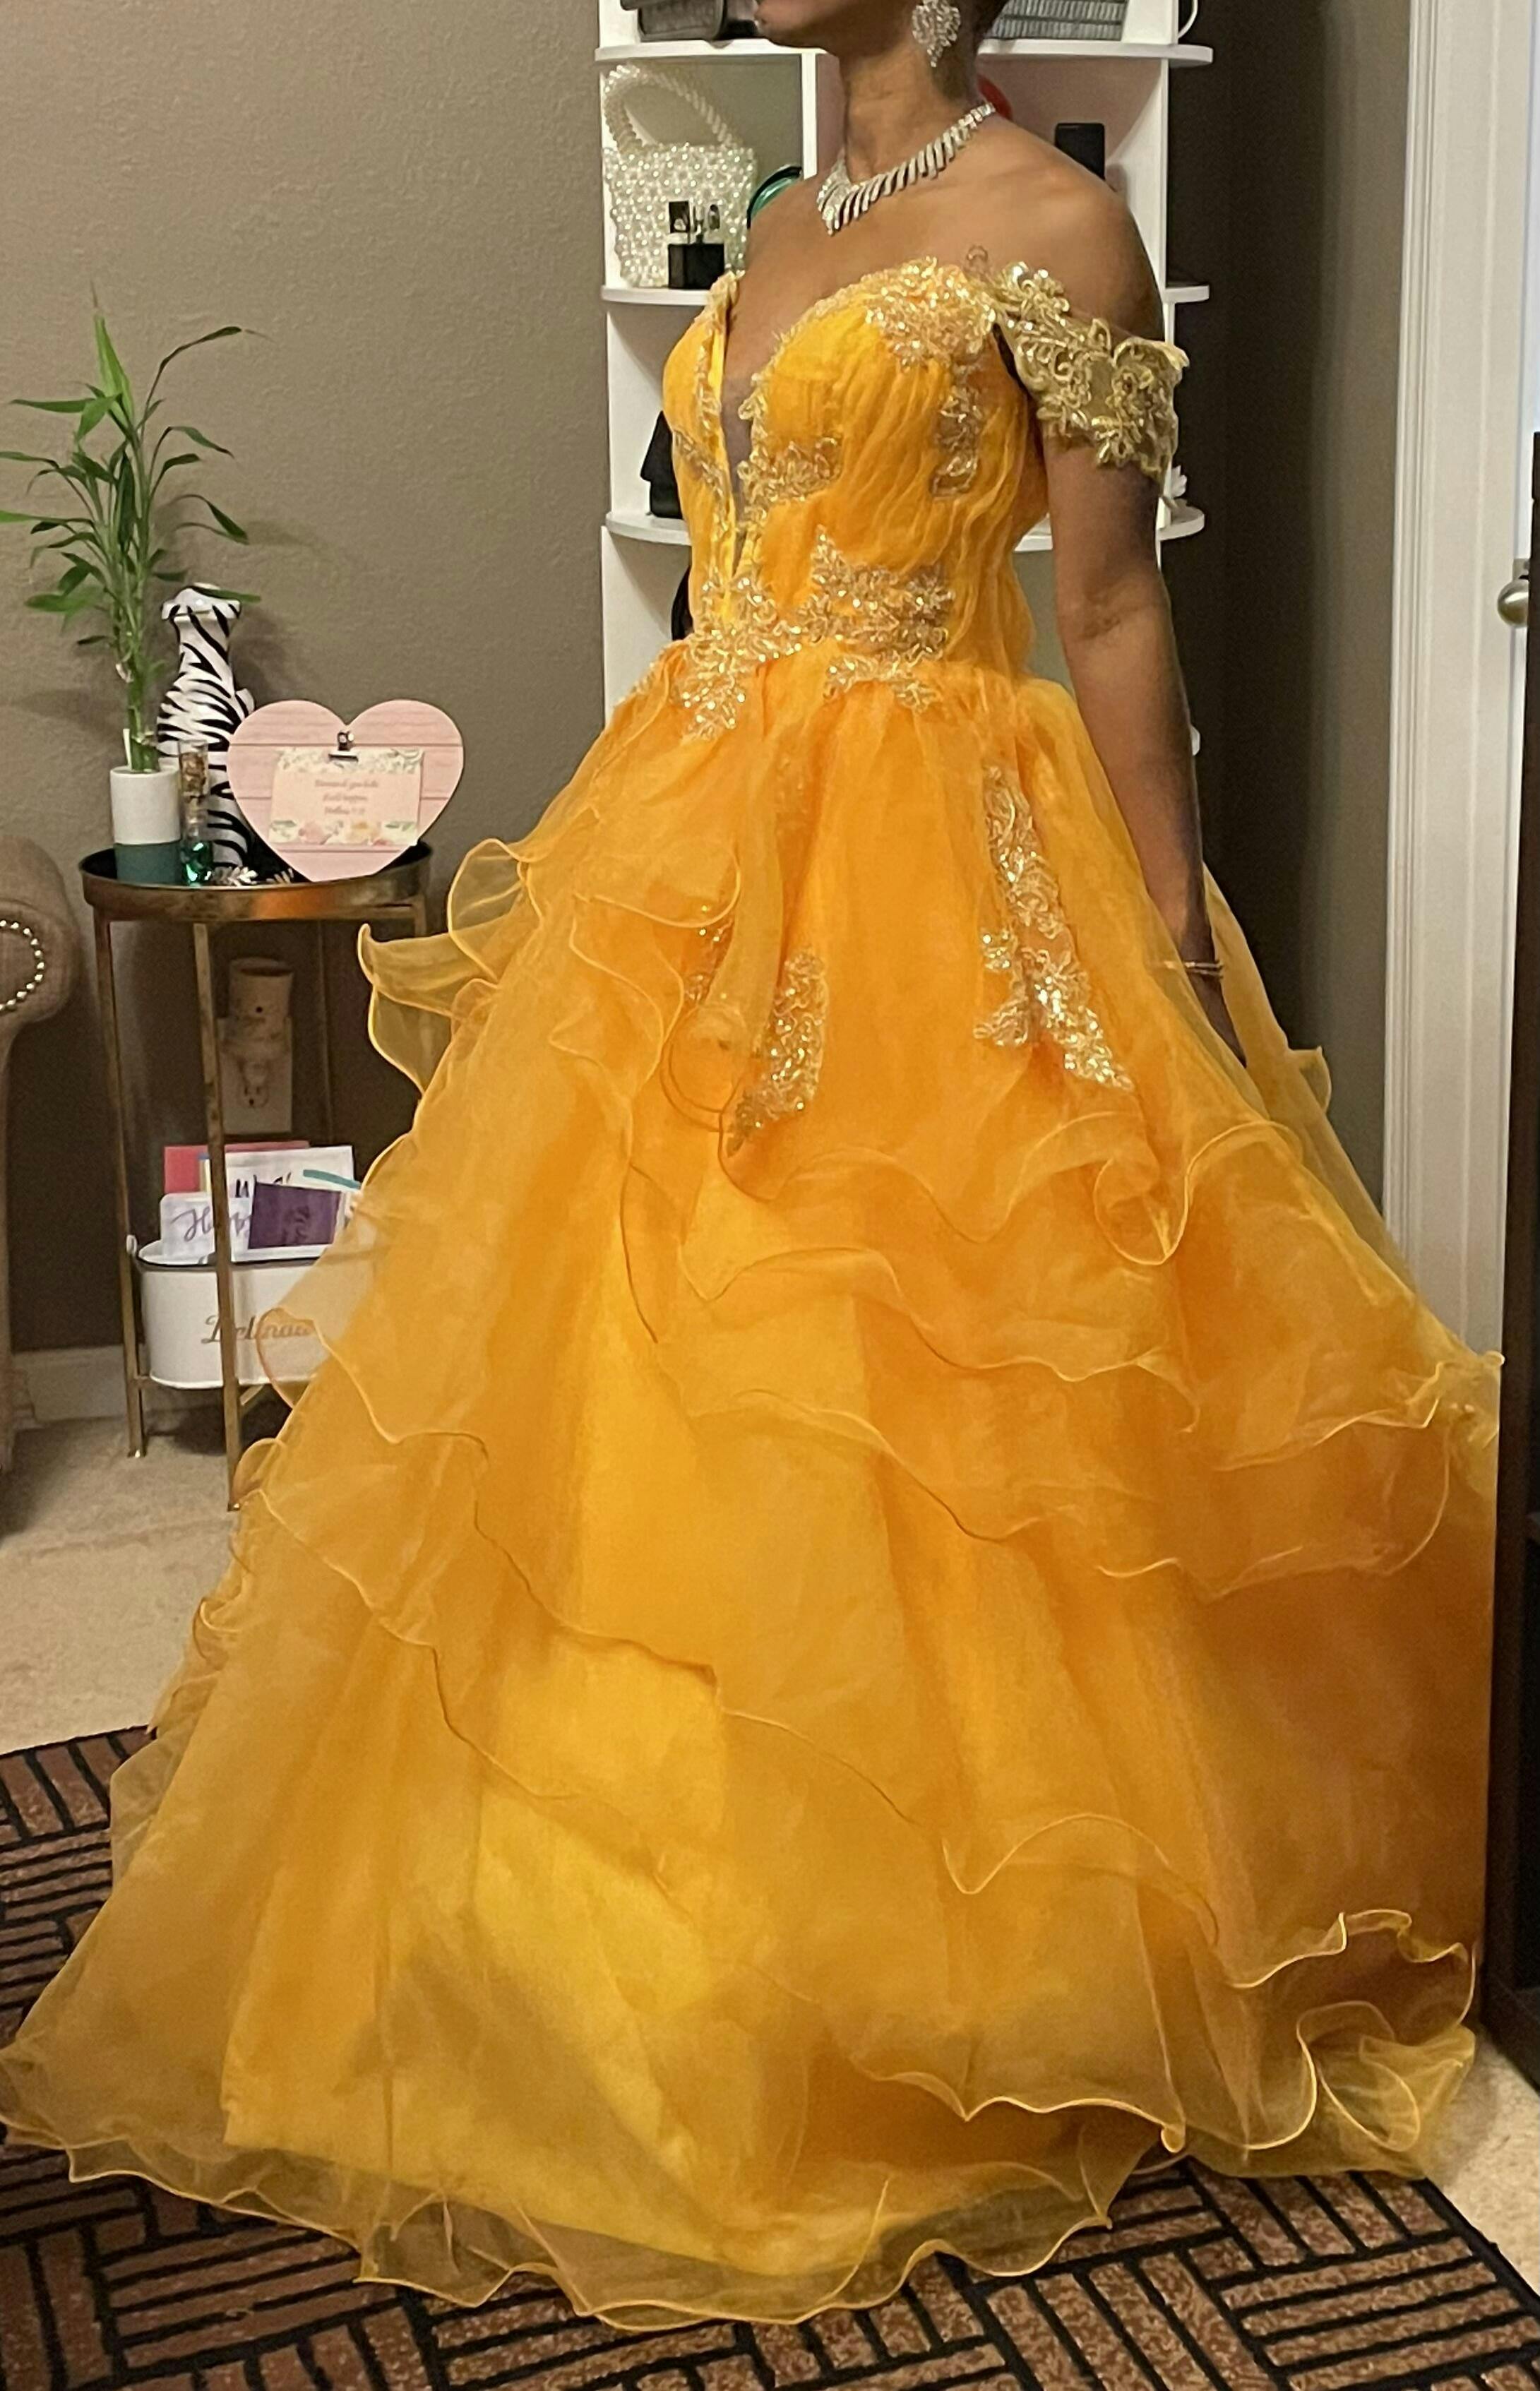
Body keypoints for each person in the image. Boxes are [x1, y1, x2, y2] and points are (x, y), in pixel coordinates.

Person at [0, 0, 1500, 2332]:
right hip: (710, 823)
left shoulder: (1062, 225)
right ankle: (595, 1911)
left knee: (925, 1371)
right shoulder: (784, 213)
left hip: (943, 848)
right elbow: (733, 574)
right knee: (642, 1357)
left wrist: (1171, 947)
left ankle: (945, 1957)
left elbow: (1110, 604)